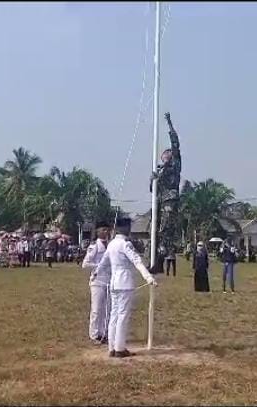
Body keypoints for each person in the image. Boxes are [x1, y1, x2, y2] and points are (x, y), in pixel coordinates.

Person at [95, 218, 157, 358]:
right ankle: (120, 348)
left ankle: (112, 347)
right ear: (125, 228)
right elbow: (137, 261)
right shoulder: (125, 244)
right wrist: (148, 277)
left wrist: (95, 273)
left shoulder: (111, 244)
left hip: (114, 283)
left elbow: (103, 262)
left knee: (114, 316)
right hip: (125, 283)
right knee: (122, 316)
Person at [149, 112, 182, 273]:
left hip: (170, 201)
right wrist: (154, 178)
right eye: (164, 155)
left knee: (165, 232)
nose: (165, 156)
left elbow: (175, 142)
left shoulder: (175, 164)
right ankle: (156, 263)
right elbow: (152, 190)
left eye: (167, 154)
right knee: (155, 232)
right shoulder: (160, 172)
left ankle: (160, 261)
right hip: (160, 203)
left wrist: (169, 123)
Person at [82, 221, 112, 345]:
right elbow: (85, 264)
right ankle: (94, 334)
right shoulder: (94, 246)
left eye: (107, 230)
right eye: (103, 230)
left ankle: (103, 333)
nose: (106, 232)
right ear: (97, 232)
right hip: (97, 280)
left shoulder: (111, 245)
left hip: (109, 280)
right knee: (96, 309)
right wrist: (99, 266)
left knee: (107, 309)